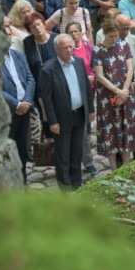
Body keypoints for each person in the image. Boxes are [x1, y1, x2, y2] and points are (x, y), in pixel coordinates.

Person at [38, 33, 95, 190]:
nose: (70, 50)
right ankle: (65, 187)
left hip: (79, 114)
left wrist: (90, 108)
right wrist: (52, 121)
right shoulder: (48, 70)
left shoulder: (79, 62)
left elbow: (86, 88)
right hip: (61, 119)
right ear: (57, 49)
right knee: (62, 155)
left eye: (71, 46)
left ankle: (76, 183)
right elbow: (47, 99)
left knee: (76, 152)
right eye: (65, 47)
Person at [98, 14, 135, 159]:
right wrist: (120, 89)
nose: (126, 32)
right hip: (115, 90)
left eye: (128, 28)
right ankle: (120, 156)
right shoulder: (106, 42)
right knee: (117, 124)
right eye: (123, 28)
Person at [92, 21, 135, 170]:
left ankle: (126, 165)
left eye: (116, 35)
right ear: (104, 34)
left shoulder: (124, 45)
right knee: (110, 130)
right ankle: (113, 167)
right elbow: (99, 76)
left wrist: (124, 92)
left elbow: (130, 69)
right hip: (107, 96)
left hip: (126, 94)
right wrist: (117, 91)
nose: (114, 39)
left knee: (127, 128)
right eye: (111, 36)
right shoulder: (97, 50)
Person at [65, 21, 98, 175]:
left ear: (81, 32)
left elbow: (94, 64)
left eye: (76, 31)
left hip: (87, 90)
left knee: (84, 130)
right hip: (70, 96)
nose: (74, 34)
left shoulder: (86, 46)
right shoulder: (65, 52)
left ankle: (88, 162)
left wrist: (91, 76)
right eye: (70, 31)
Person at [1, 35, 36, 183]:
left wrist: (26, 101)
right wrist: (16, 104)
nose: (8, 36)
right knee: (7, 150)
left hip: (25, 109)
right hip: (8, 112)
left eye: (9, 34)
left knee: (22, 149)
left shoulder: (18, 55)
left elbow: (30, 79)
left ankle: (22, 180)